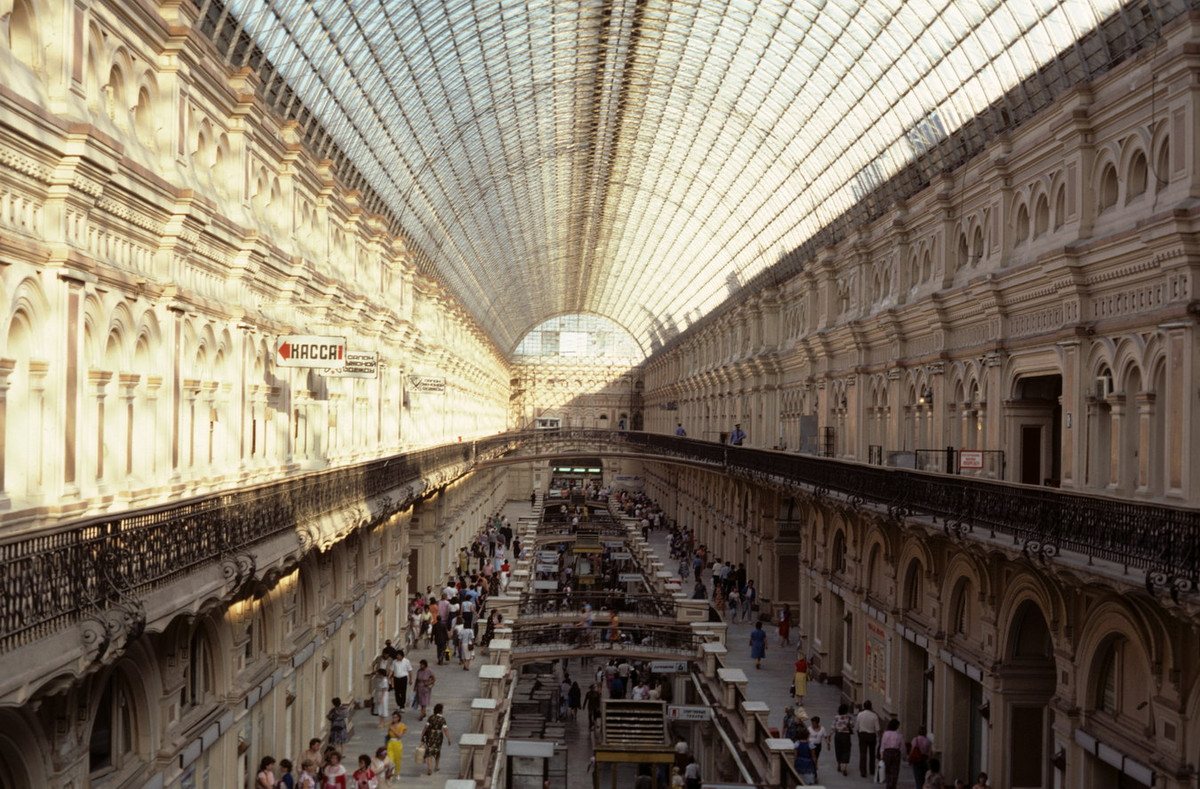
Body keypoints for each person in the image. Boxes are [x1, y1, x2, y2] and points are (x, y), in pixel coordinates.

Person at [421, 703, 451, 775]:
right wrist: (449, 738)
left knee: (429, 751)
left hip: (430, 736)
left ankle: (429, 768)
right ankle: (436, 766)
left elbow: (426, 727)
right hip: (438, 737)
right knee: (437, 750)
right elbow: (445, 730)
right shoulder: (442, 719)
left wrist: (422, 735)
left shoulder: (431, 717)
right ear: (440, 711)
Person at [856, 700, 881, 778]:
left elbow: (857, 727)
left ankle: (863, 771)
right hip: (871, 735)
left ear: (864, 706)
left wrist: (859, 734)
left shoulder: (860, 714)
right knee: (872, 753)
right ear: (871, 706)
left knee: (863, 753)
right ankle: (872, 769)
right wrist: (879, 737)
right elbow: (877, 729)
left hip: (862, 735)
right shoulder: (874, 716)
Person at [880, 718, 904, 789]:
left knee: (887, 770)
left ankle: (888, 784)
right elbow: (902, 747)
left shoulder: (885, 734)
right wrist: (904, 755)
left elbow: (883, 745)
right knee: (895, 770)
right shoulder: (899, 735)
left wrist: (881, 754)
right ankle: (893, 785)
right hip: (896, 753)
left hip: (887, 752)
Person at [832, 703, 854, 776]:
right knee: (846, 750)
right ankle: (844, 767)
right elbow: (852, 725)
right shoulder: (848, 717)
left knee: (838, 749)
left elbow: (833, 727)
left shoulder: (836, 717)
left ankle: (839, 763)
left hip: (838, 735)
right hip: (846, 735)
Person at [388, 649, 413, 716]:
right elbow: (391, 670)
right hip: (396, 678)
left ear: (402, 656)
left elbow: (410, 670)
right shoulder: (394, 662)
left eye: (399, 655)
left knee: (403, 692)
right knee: (397, 692)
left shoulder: (406, 661)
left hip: (403, 678)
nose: (397, 657)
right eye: (397, 655)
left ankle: (402, 706)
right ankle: (399, 703)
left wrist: (410, 679)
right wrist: (389, 677)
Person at [910, 724, 933, 788]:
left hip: (917, 759)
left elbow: (912, 750)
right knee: (924, 777)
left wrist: (910, 758)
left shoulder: (915, 740)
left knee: (918, 777)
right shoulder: (928, 741)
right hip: (924, 759)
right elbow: (929, 753)